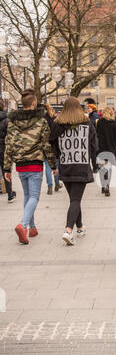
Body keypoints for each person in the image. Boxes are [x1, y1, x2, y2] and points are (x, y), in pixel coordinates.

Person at [3, 89, 57, 244]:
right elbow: (46, 145)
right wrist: (53, 165)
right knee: (34, 197)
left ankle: (32, 228)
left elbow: (9, 146)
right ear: (34, 103)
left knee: (27, 196)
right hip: (35, 164)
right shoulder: (41, 122)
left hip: (20, 165)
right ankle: (23, 224)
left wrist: (7, 168)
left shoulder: (12, 122)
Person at [50, 97, 97, 245]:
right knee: (76, 200)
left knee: (74, 199)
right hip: (81, 165)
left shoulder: (57, 124)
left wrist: (58, 158)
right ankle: (68, 230)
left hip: (66, 165)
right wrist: (94, 161)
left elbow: (52, 144)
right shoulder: (87, 123)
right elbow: (94, 144)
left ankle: (80, 227)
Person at [95, 106, 116, 197]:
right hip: (110, 149)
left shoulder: (99, 123)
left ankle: (103, 186)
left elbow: (97, 135)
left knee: (102, 169)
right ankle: (107, 186)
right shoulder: (113, 124)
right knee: (108, 169)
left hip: (101, 148)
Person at [44, 103, 62, 194]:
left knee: (47, 166)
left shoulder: (42, 120)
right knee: (56, 165)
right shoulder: (55, 120)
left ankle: (49, 186)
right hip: (55, 145)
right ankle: (57, 183)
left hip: (45, 145)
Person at [0, 99, 16, 202]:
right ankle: (10, 193)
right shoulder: (6, 120)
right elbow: (11, 136)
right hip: (3, 149)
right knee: (6, 170)